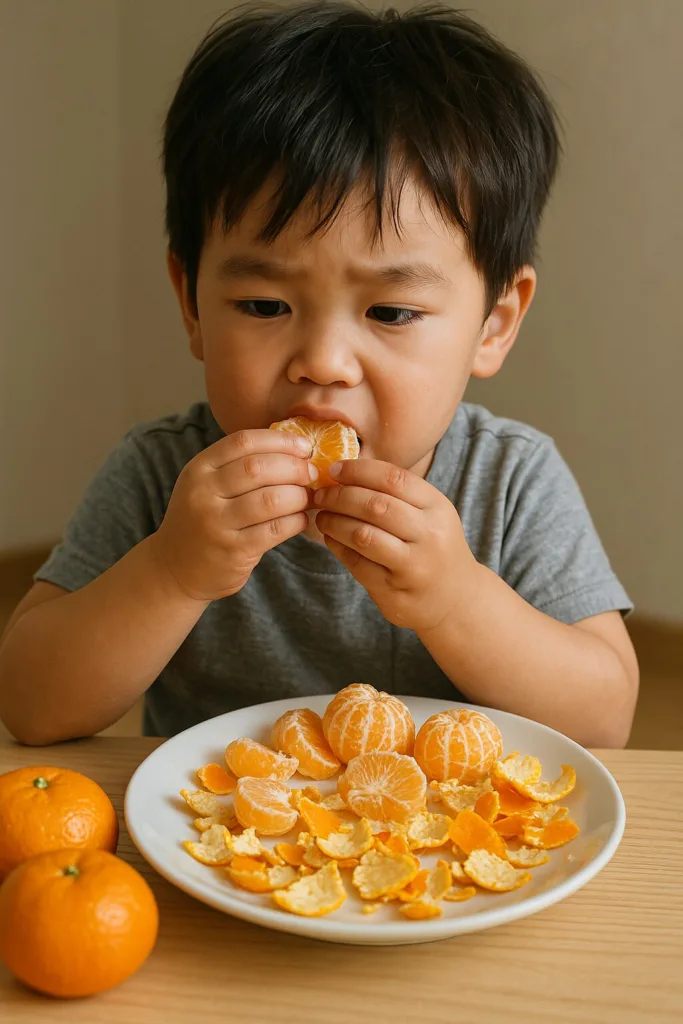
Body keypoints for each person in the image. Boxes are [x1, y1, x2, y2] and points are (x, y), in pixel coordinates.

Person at [0, 2, 638, 748]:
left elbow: (604, 723)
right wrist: (171, 572)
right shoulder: (161, 475)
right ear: (192, 305)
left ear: (493, 324)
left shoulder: (510, 482)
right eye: (265, 304)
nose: (323, 364)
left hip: (425, 852)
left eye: (391, 312)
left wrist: (455, 600)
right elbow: (31, 705)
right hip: (220, 841)